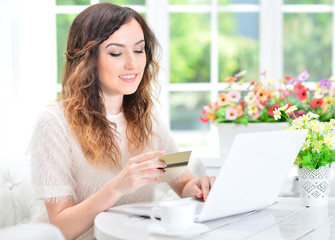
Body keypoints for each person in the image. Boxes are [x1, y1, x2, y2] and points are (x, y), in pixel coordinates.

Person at [28, 2, 215, 240]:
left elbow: (181, 177)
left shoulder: (146, 117)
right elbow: (61, 228)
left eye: (139, 50)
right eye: (116, 52)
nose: (133, 63)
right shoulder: (54, 123)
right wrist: (117, 186)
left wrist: (199, 187)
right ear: (87, 59)